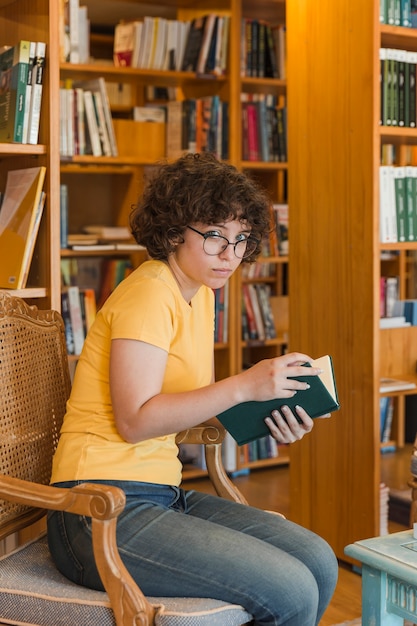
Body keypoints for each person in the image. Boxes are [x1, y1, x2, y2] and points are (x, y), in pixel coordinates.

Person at [48, 152, 338, 625]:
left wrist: (268, 411)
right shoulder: (149, 292)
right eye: (215, 237)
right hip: (95, 510)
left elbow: (186, 407)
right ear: (173, 229)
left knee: (320, 562)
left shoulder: (200, 294)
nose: (231, 255)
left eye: (241, 239)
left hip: (159, 493)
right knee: (290, 589)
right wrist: (243, 385)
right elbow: (136, 419)